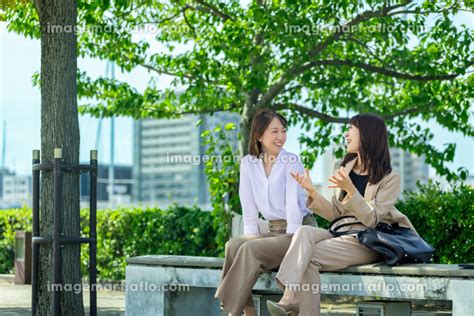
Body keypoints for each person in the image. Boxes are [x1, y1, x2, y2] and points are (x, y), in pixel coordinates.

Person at [267, 113, 417, 316]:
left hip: (366, 239)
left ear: (366, 135)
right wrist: (311, 192)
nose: (346, 134)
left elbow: (372, 219)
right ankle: (291, 297)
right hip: (339, 233)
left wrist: (351, 190)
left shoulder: (390, 178)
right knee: (305, 232)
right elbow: (335, 214)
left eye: (351, 130)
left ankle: (289, 298)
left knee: (306, 259)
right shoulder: (343, 167)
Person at [215, 109, 317, 316]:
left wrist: (292, 242)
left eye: (283, 131)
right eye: (274, 132)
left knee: (249, 250)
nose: (281, 137)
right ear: (259, 135)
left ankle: (231, 312)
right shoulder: (248, 164)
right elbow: (249, 207)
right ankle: (248, 312)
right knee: (233, 245)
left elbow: (293, 208)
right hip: (271, 231)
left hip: (298, 231)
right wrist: (251, 235)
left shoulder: (292, 161)